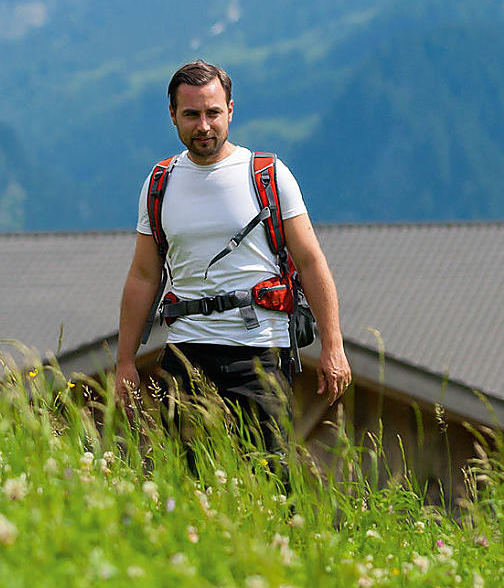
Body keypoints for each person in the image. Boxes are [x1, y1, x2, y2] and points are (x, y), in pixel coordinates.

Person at [115, 59, 352, 468]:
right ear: (172, 115)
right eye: (191, 114)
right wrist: (123, 362)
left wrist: (333, 345)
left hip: (258, 352)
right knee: (184, 484)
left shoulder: (268, 175)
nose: (203, 126)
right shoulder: (159, 183)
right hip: (185, 352)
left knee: (271, 481)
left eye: (213, 113)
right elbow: (142, 276)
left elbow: (311, 262)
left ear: (230, 111)